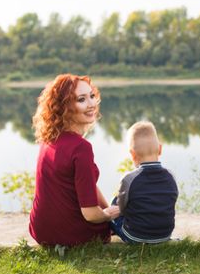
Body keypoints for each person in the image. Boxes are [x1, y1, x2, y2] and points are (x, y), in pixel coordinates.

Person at [29, 74, 120, 247]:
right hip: (72, 235)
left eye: (92, 96)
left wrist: (107, 211)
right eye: (81, 99)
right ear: (65, 106)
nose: (92, 104)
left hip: (41, 230)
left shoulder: (49, 138)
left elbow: (87, 185)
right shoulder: (81, 147)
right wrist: (109, 214)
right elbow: (91, 214)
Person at [110, 121, 178, 244]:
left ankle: (110, 232)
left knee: (115, 201)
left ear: (132, 154)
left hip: (135, 236)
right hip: (164, 235)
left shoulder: (129, 179)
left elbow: (121, 208)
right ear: (160, 149)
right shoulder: (171, 176)